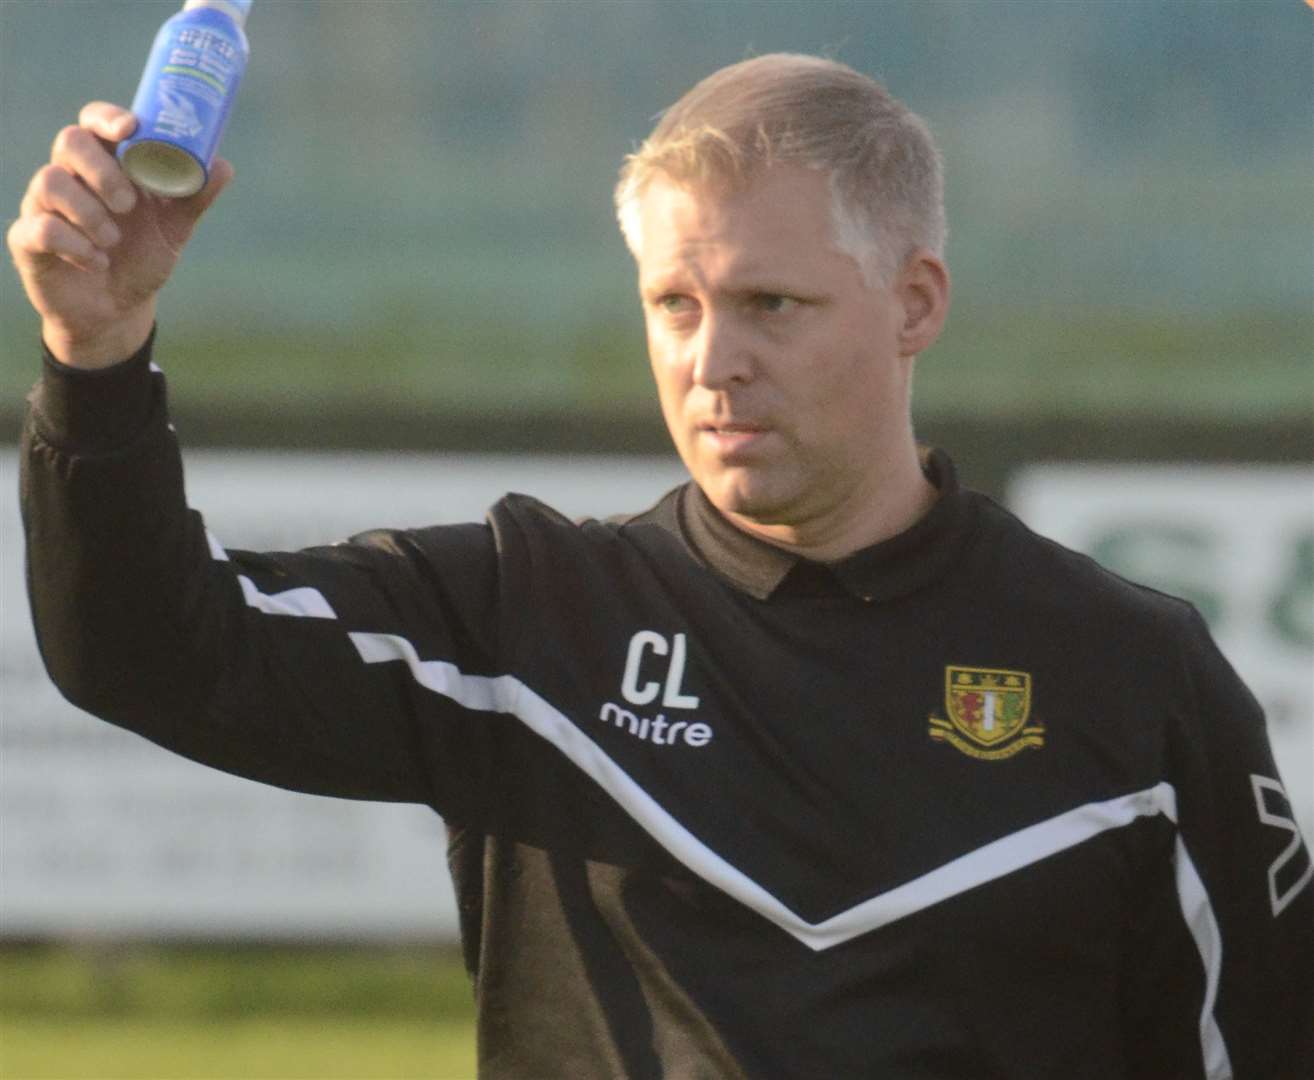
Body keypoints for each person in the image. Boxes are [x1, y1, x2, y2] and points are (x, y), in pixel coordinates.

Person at [10, 53, 1312, 1079]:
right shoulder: (525, 624)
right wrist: (97, 353)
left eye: (769, 306)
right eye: (672, 306)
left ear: (915, 302)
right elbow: (147, 651)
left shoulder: (1131, 675)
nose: (709, 360)